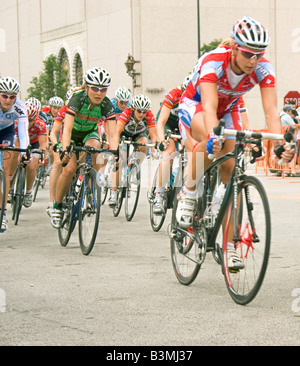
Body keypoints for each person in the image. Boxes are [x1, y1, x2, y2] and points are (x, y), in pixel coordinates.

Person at [176, 16, 294, 271]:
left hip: (227, 109)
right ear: (234, 49)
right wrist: (213, 138)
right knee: (210, 141)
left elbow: (272, 112)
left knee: (230, 172)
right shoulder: (213, 62)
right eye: (248, 54)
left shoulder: (263, 69)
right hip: (196, 104)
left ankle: (229, 247)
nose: (254, 61)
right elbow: (207, 108)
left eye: (259, 55)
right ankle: (189, 191)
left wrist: (280, 145)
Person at [51, 67, 116, 228]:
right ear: (87, 87)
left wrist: (116, 153)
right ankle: (57, 206)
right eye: (95, 88)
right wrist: (65, 149)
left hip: (89, 134)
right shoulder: (77, 98)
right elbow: (66, 129)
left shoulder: (107, 104)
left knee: (96, 148)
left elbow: (113, 134)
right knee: (69, 169)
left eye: (103, 89)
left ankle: (90, 186)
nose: (99, 93)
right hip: (72, 134)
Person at [108, 94, 157, 207]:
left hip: (138, 134)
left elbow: (153, 136)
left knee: (144, 142)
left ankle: (135, 166)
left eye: (144, 112)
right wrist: (115, 151)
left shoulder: (149, 116)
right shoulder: (127, 113)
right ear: (134, 109)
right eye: (139, 111)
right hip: (124, 134)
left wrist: (154, 149)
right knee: (120, 161)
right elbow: (117, 132)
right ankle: (113, 192)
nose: (141, 114)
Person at [153, 75, 191, 214]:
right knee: (169, 152)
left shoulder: (198, 97)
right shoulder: (174, 94)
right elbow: (161, 122)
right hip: (168, 123)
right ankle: (159, 194)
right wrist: (162, 140)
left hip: (184, 124)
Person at [0, 76, 30, 232]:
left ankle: (2, 214)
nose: (8, 100)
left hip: (6, 132)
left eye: (12, 97)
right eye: (4, 96)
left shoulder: (19, 107)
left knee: (5, 170)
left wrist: (25, 151)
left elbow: (23, 133)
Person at [10, 102, 47, 208]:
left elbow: (43, 144)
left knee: (31, 166)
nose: (28, 123)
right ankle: (11, 188)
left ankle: (28, 192)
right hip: (19, 141)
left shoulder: (40, 124)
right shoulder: (16, 122)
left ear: (35, 118)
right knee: (15, 157)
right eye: (27, 119)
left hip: (34, 143)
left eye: (31, 120)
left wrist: (42, 156)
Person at [46, 87, 77, 216]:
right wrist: (56, 146)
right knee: (58, 163)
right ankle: (52, 200)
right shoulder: (64, 110)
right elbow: (53, 133)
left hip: (79, 139)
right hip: (63, 140)